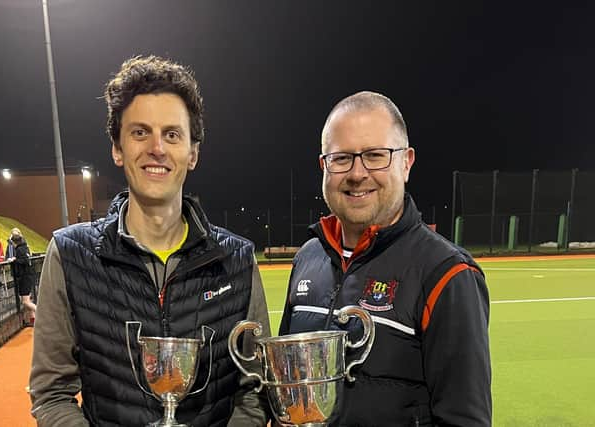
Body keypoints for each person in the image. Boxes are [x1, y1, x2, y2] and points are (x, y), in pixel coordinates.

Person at [29, 55, 271, 427]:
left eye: (172, 134)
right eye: (140, 132)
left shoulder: (237, 259)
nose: (157, 148)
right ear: (117, 147)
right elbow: (51, 393)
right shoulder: (69, 254)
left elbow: (252, 391)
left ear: (193, 153)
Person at [278, 91, 491, 426]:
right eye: (341, 158)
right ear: (324, 166)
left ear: (406, 162)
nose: (357, 173)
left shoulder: (446, 273)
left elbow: (464, 420)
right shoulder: (308, 258)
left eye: (375, 155)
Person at [9, 228, 37, 324]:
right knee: (28, 300)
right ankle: (33, 320)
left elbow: (24, 261)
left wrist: (15, 260)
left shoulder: (20, 249)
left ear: (14, 242)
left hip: (24, 277)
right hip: (28, 276)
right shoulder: (25, 247)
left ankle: (41, 315)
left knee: (25, 302)